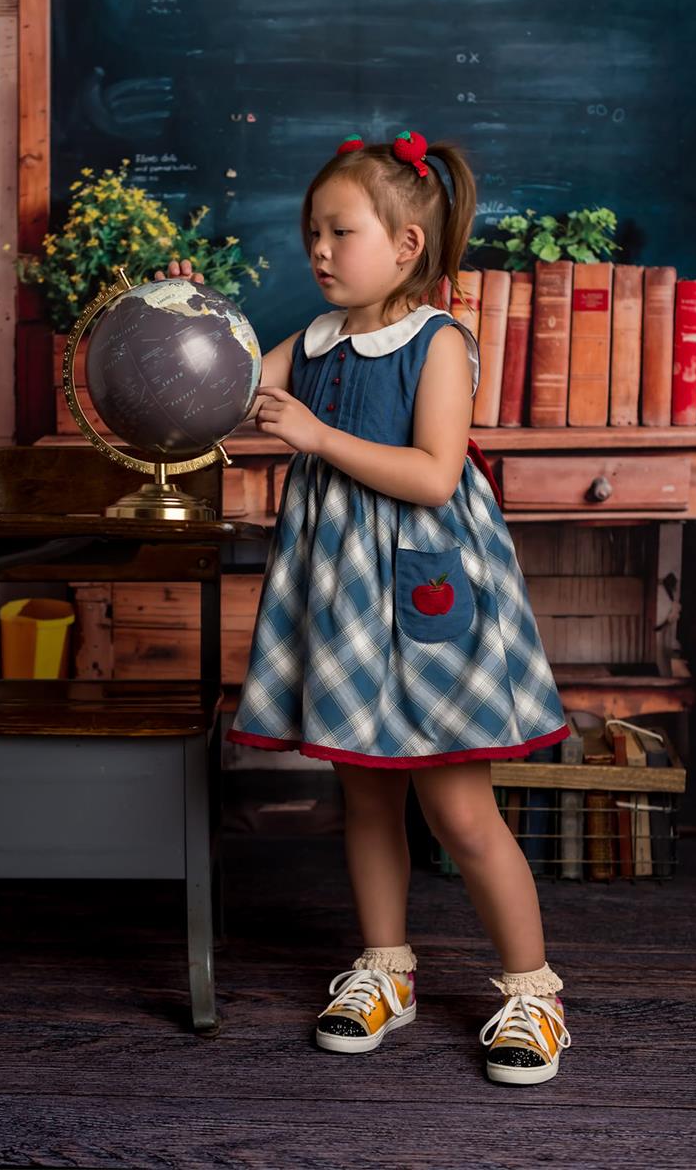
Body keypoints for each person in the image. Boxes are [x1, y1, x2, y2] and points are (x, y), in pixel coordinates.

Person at [155, 130, 572, 1085]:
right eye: (313, 232)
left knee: (461, 812)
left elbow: (432, 477)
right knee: (367, 794)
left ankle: (532, 993)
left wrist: (313, 432)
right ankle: (386, 969)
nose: (319, 250)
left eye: (339, 231)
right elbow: (224, 390)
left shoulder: (438, 344)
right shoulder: (314, 338)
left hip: (424, 597)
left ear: (407, 247)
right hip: (342, 600)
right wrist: (195, 317)